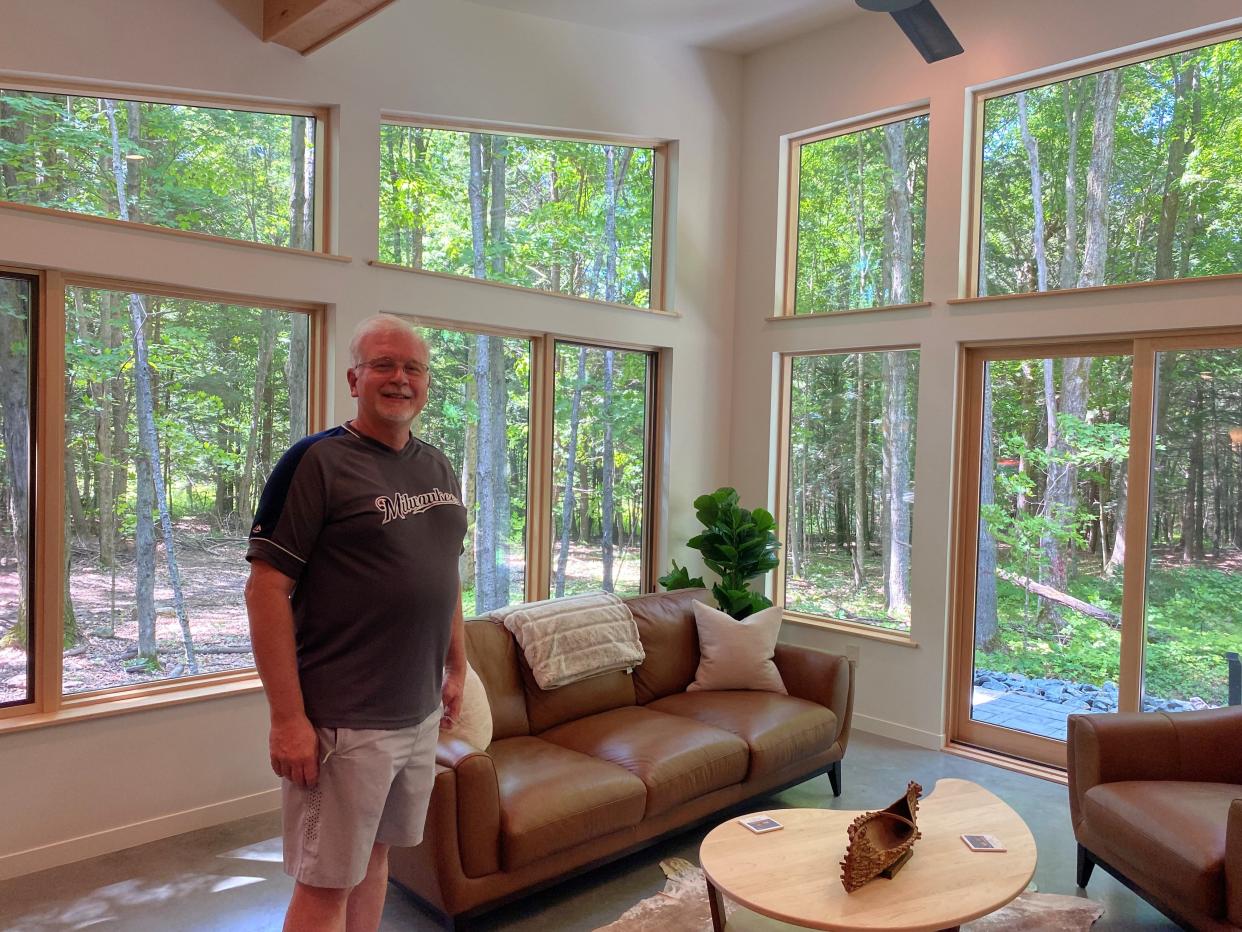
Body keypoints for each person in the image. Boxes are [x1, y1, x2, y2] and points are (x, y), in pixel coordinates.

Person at [244, 314, 467, 932]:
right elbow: (265, 590)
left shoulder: (438, 468)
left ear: (426, 381)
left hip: (418, 713)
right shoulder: (315, 462)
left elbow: (444, 579)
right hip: (345, 721)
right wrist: (288, 719)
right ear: (354, 378)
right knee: (324, 885)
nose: (400, 378)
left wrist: (457, 666)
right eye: (384, 365)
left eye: (413, 367)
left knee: (374, 859)